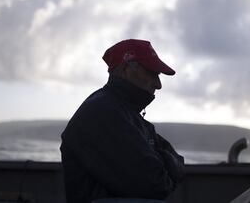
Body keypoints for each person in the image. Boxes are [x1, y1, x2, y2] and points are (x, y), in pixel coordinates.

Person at [60, 39, 185, 203]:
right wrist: (163, 161)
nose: (158, 84)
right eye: (152, 73)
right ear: (126, 69)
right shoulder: (103, 112)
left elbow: (178, 162)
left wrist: (161, 161)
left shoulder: (126, 113)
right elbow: (155, 185)